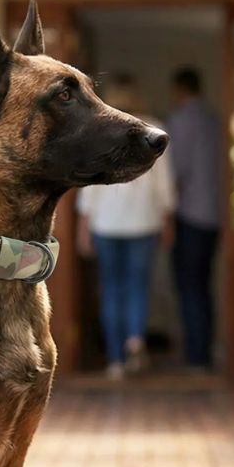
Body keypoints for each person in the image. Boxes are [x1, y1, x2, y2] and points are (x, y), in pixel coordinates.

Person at [77, 77, 175, 380]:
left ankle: (116, 361)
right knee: (137, 287)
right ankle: (135, 339)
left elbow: (89, 184)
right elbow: (164, 185)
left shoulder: (97, 127)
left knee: (111, 290)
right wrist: (167, 221)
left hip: (106, 224)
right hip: (144, 222)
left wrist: (84, 227)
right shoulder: (154, 128)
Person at [166, 66, 223, 371]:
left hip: (190, 215)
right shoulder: (214, 121)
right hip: (214, 215)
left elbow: (177, 174)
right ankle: (204, 351)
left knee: (189, 286)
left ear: (180, 89)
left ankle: (195, 356)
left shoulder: (181, 122)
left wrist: (167, 217)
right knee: (203, 285)